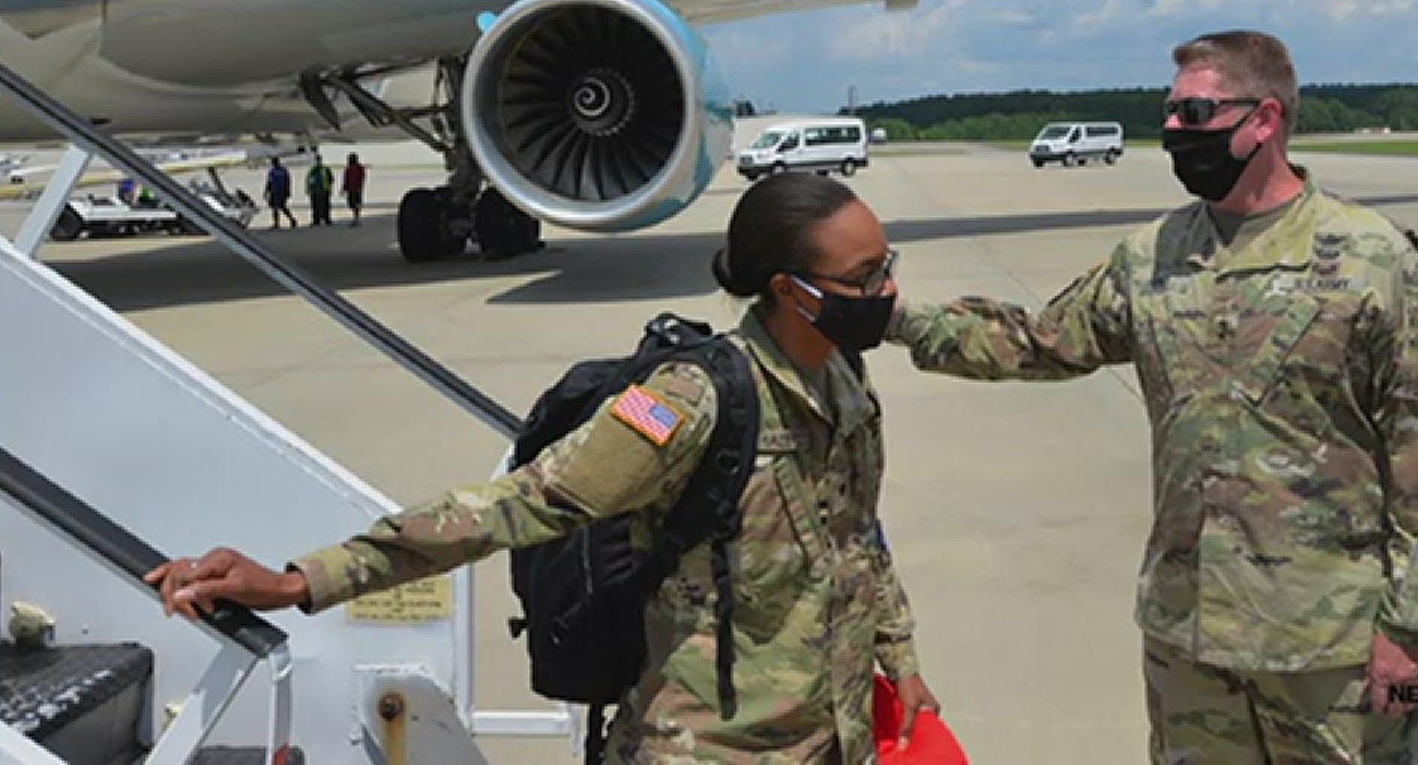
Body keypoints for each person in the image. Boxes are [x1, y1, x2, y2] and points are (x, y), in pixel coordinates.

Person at [146, 173, 943, 762]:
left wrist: (898, 663)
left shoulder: (840, 377)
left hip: (830, 740)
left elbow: (857, 543)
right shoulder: (693, 398)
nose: (888, 291)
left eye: (886, 265)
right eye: (865, 277)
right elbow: (514, 507)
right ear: (789, 289)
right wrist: (299, 581)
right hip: (711, 748)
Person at [888, 30, 1418, 764]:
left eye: (1194, 112)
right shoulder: (1153, 257)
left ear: (1264, 119)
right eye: (1169, 112)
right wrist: (893, 319)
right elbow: (1041, 340)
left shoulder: (1371, 257)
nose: (1173, 130)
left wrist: (1412, 628)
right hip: (1190, 637)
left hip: (1329, 645)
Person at [263, 157, 297, 229]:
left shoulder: (272, 171)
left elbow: (269, 182)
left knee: (275, 208)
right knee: (282, 206)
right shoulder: (284, 170)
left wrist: (266, 191)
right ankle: (291, 219)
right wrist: (288, 191)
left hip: (275, 191)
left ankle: (276, 223)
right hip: (282, 191)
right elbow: (288, 181)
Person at [305, 153, 335, 226]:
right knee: (315, 206)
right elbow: (308, 181)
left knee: (325, 206)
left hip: (323, 190)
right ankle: (316, 220)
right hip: (315, 191)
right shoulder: (312, 170)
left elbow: (331, 179)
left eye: (318, 160)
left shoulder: (325, 169)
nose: (317, 162)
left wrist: (328, 188)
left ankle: (326, 219)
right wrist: (309, 190)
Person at [341, 152, 366, 226]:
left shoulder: (359, 168)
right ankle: (355, 217)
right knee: (352, 204)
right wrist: (344, 188)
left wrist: (360, 186)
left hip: (356, 188)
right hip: (351, 189)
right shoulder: (349, 168)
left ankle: (356, 218)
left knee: (356, 204)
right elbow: (346, 179)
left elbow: (361, 178)